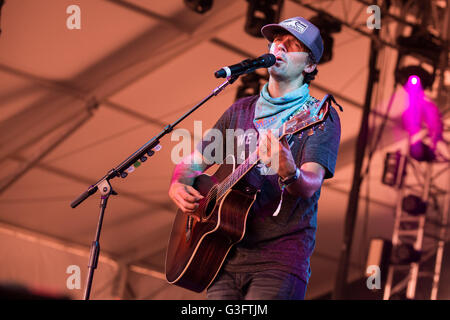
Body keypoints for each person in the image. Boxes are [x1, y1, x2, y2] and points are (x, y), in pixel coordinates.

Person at [168, 16, 341, 300]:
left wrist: (290, 173)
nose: (280, 47)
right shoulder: (241, 109)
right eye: (276, 41)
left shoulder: (318, 115)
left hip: (279, 260)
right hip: (222, 254)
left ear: (309, 66)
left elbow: (310, 184)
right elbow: (194, 160)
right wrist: (178, 182)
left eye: (292, 44)